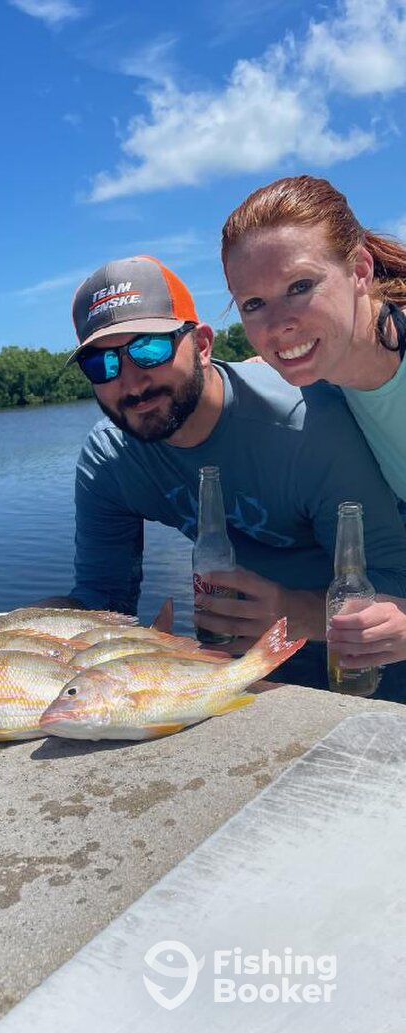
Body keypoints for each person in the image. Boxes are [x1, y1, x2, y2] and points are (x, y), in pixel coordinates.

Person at [39, 253, 406, 701]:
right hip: (238, 676)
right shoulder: (111, 459)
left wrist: (296, 613)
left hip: (369, 674)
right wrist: (23, 629)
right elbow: (103, 598)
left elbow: (395, 577)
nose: (131, 383)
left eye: (149, 350)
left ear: (202, 344)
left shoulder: (307, 425)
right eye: (102, 365)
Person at [221, 174, 406, 670]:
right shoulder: (319, 372)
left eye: (300, 287)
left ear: (360, 270)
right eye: (254, 304)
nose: (278, 325)